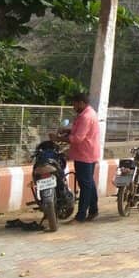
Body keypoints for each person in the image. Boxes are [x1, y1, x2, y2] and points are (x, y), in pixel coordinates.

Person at [51, 92, 100, 222]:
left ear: (81, 103)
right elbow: (80, 132)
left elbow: (78, 138)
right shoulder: (87, 113)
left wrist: (59, 138)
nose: (73, 107)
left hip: (84, 154)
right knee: (89, 183)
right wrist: (67, 131)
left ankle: (81, 215)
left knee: (85, 185)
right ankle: (94, 210)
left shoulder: (86, 117)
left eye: (74, 104)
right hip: (88, 153)